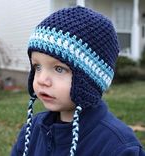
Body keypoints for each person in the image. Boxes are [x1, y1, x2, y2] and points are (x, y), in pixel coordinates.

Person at [11, 6, 145, 156]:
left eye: (59, 69)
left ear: (90, 79)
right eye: (37, 66)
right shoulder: (33, 130)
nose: (42, 80)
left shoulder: (118, 147)